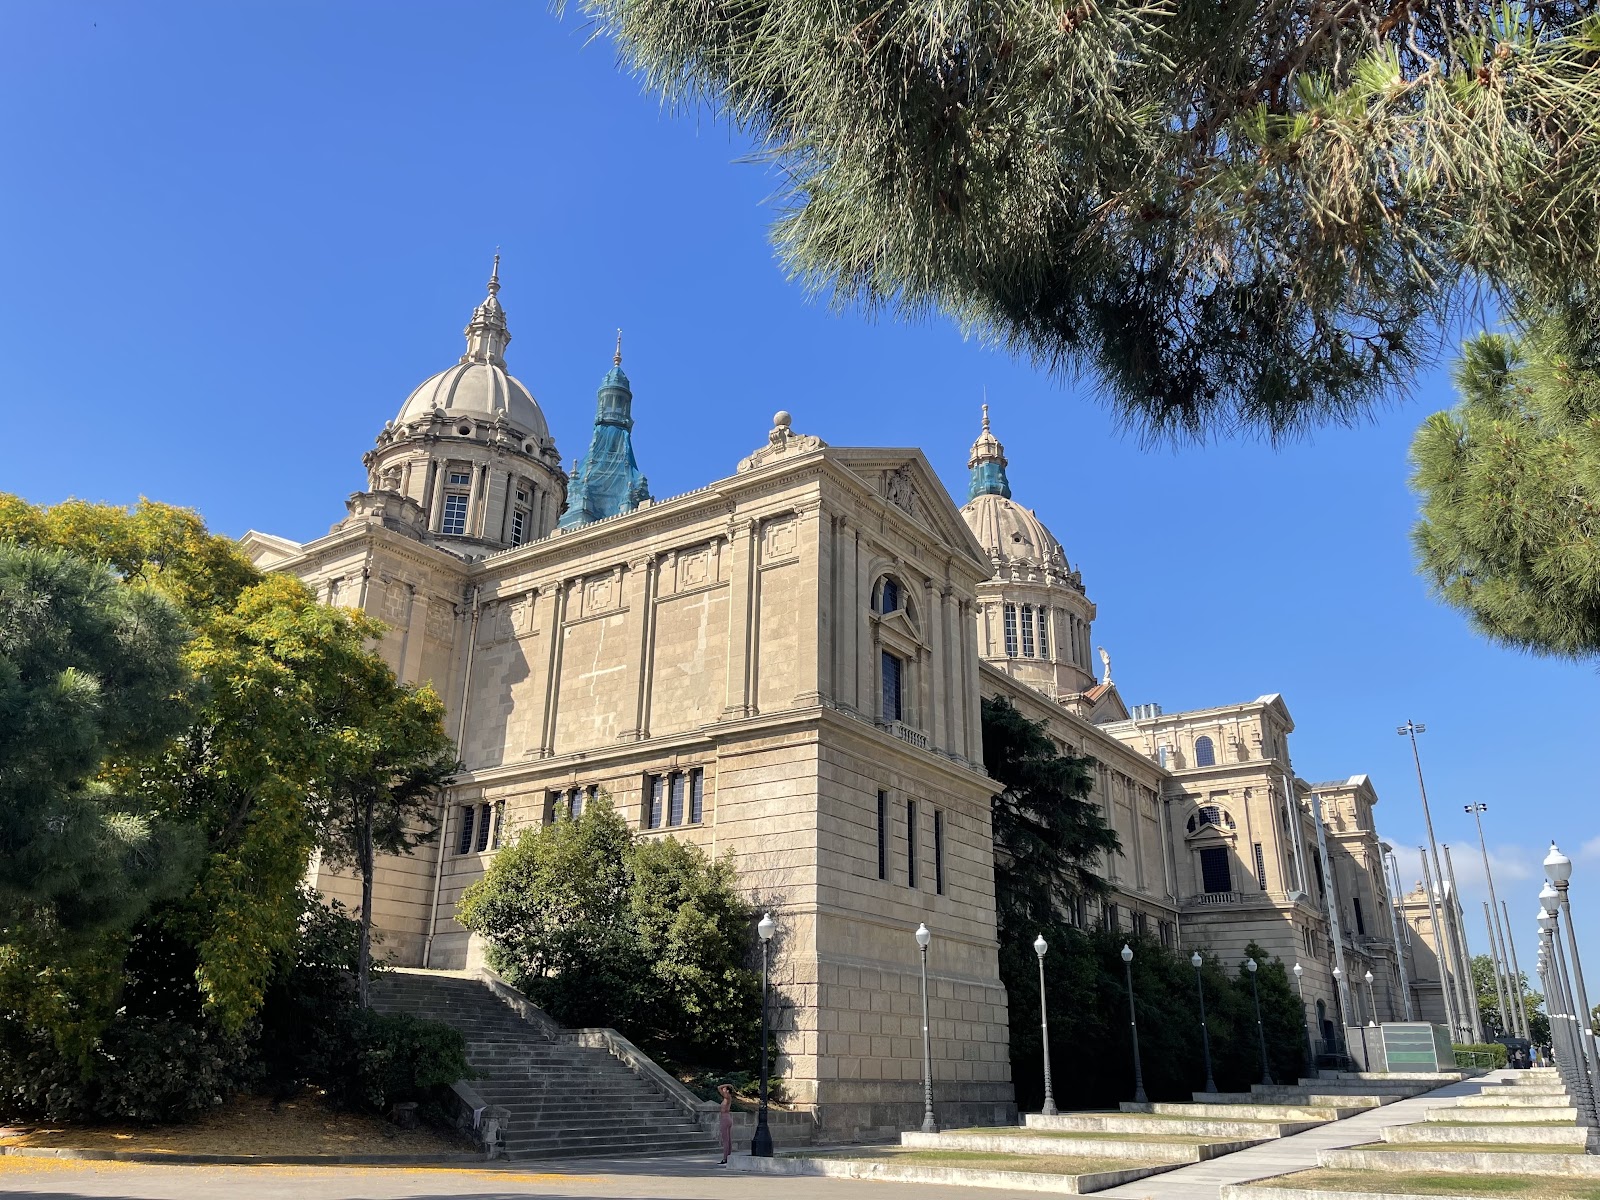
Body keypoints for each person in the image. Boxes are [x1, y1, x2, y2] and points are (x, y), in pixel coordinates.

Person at [716, 1083, 734, 1165]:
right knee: (728, 1139)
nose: (723, 1089)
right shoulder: (727, 1097)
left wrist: (728, 1085)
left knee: (725, 1140)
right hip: (727, 1118)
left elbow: (718, 1087)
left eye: (724, 1088)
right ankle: (728, 1156)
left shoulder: (727, 1096)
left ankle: (725, 1158)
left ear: (727, 1090)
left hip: (725, 1118)